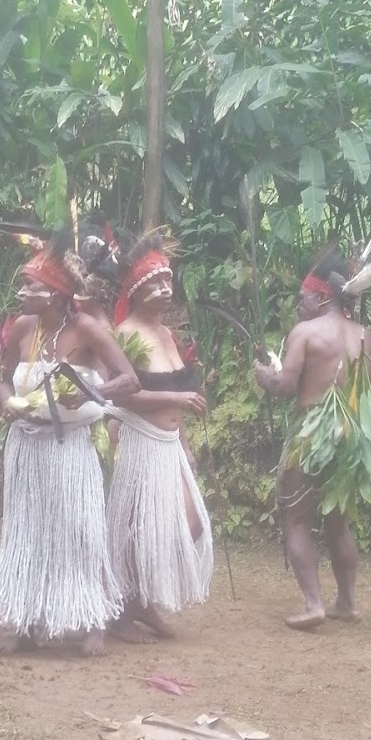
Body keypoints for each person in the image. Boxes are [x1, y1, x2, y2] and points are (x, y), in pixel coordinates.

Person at [0, 232, 139, 655]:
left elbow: (129, 380)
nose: (23, 292)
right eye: (24, 284)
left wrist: (90, 394)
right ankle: (28, 622)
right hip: (28, 444)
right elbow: (3, 380)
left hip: (71, 447)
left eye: (33, 287)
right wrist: (8, 403)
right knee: (30, 531)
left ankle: (94, 619)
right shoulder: (23, 328)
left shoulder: (88, 329)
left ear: (59, 294)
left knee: (81, 530)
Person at [254, 246, 371, 632]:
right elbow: (368, 389)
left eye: (302, 299)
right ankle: (347, 601)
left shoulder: (306, 333)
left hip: (312, 436)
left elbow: (285, 385)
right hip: (351, 439)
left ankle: (314, 604)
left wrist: (264, 373)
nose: (298, 307)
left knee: (297, 520)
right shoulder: (369, 337)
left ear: (322, 296)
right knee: (339, 523)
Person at [105, 233, 213, 641]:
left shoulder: (168, 334)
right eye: (156, 283)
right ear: (135, 290)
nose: (167, 290)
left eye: (169, 281)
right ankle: (125, 612)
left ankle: (142, 605)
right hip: (141, 442)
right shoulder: (125, 335)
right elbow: (122, 397)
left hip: (170, 446)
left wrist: (185, 446)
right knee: (141, 530)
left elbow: (179, 394)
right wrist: (177, 398)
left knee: (192, 523)